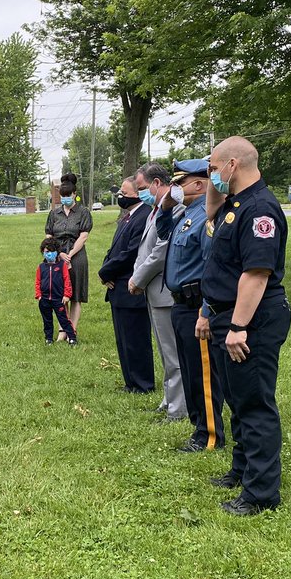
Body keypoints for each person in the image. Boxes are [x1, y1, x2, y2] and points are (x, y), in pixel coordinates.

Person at [196, 137, 291, 515]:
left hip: (250, 318)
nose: (210, 177)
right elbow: (211, 222)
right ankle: (242, 468)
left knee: (254, 404)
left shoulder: (261, 209)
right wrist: (208, 313)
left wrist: (237, 327)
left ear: (232, 165)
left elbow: (256, 274)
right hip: (224, 315)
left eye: (214, 169)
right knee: (237, 400)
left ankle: (261, 494)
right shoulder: (234, 205)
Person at [156, 158, 225, 453]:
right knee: (188, 369)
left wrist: (206, 311)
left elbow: (211, 267)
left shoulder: (207, 216)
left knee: (202, 373)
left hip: (196, 303)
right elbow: (163, 232)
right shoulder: (186, 213)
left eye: (179, 183)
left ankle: (209, 434)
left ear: (199, 184)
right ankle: (199, 425)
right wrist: (165, 207)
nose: (174, 188)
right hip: (179, 304)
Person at [128, 164, 186, 420]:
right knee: (164, 352)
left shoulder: (174, 208)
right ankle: (169, 399)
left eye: (142, 188)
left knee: (173, 354)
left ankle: (178, 409)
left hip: (164, 291)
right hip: (154, 292)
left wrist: (138, 278)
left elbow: (161, 250)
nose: (141, 194)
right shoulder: (155, 210)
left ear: (158, 183)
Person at [99, 176, 154, 393]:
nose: (120, 196)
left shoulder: (143, 217)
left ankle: (142, 383)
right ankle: (130, 381)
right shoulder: (128, 217)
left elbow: (130, 253)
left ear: (137, 193)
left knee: (136, 339)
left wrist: (106, 271)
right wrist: (105, 270)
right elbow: (114, 250)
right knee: (123, 340)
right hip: (117, 289)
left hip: (131, 287)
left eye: (124, 193)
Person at [45, 173, 93, 339]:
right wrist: (58, 253)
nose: (65, 198)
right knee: (60, 294)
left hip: (77, 257)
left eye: (68, 195)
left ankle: (72, 329)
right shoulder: (54, 214)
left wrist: (70, 254)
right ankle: (62, 330)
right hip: (57, 256)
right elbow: (49, 236)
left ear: (75, 194)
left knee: (75, 295)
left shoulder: (83, 213)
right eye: (62, 196)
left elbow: (83, 236)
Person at [35, 236, 77, 346]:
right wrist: (38, 295)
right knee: (47, 320)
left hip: (58, 299)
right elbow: (38, 282)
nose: (49, 254)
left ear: (57, 252)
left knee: (63, 319)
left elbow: (67, 280)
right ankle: (48, 338)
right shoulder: (41, 267)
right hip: (44, 299)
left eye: (52, 251)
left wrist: (67, 295)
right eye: (46, 251)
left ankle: (72, 337)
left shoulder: (62, 265)